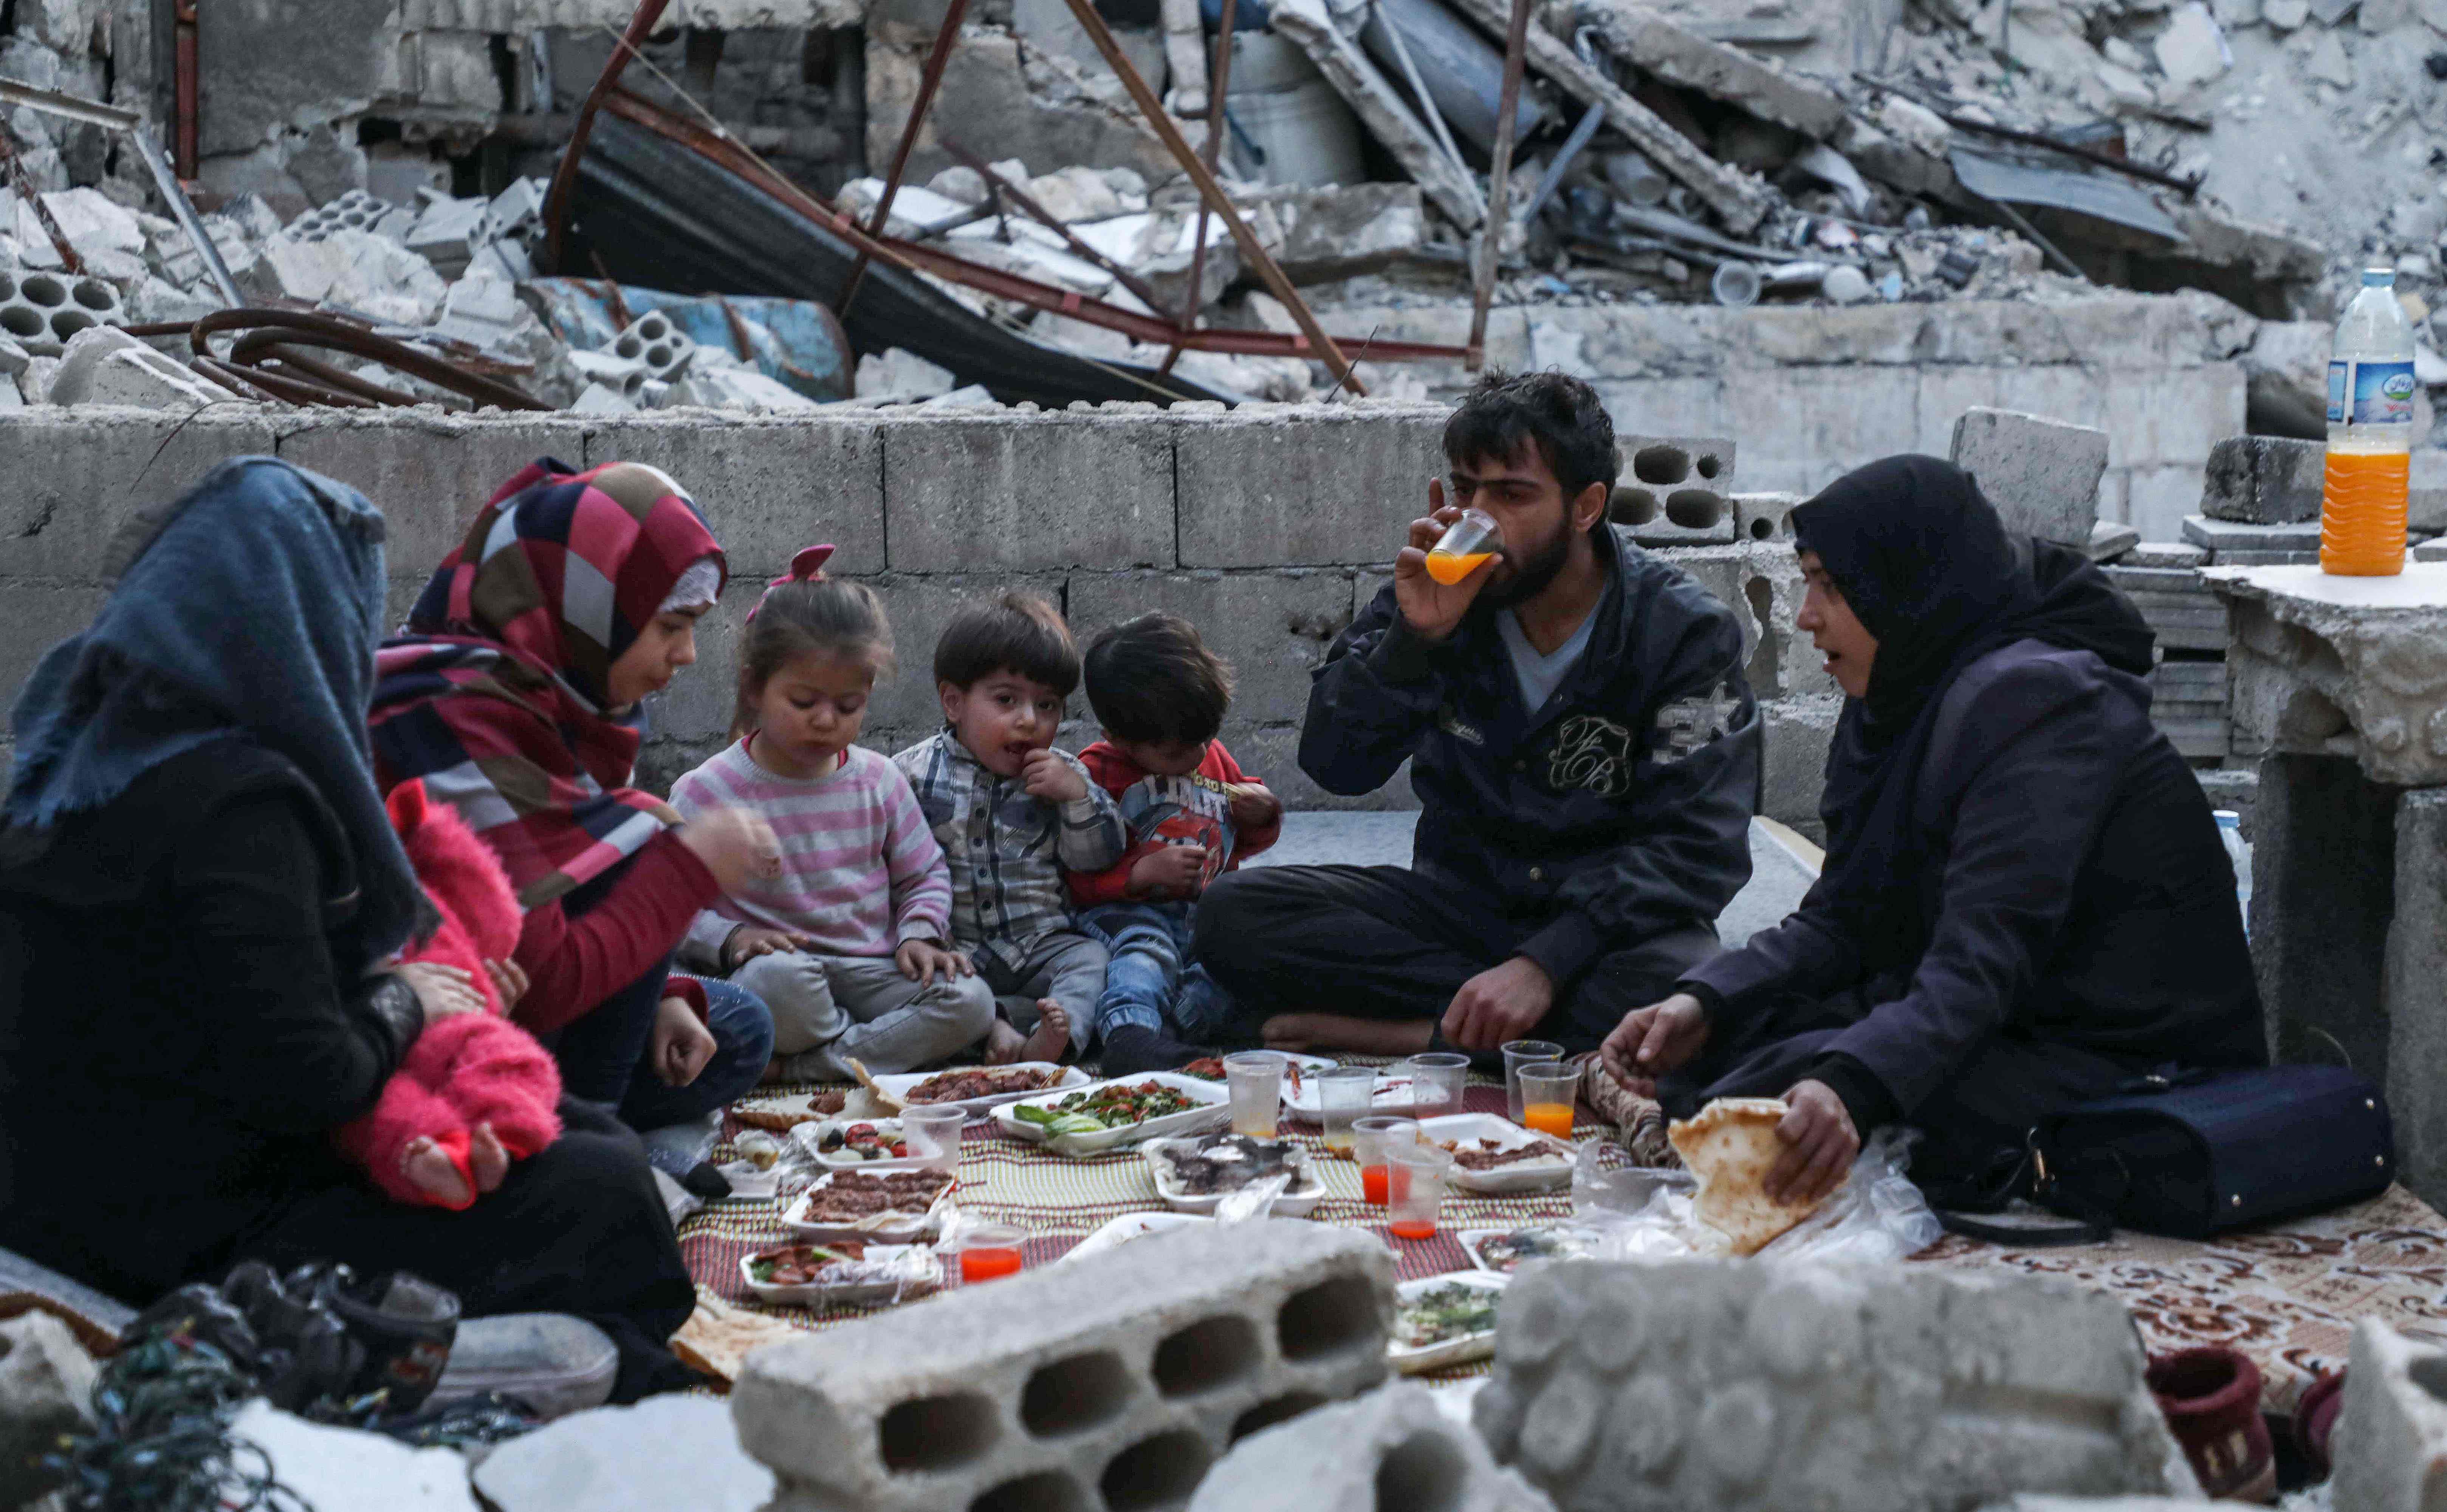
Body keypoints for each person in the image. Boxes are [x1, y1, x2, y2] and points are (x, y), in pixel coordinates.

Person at [0, 457, 700, 1401]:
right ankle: (559, 1387)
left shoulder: (69, 765)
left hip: (83, 1202)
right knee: (603, 1195)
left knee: (588, 1137)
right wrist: (402, 999)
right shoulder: (238, 805)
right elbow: (309, 1077)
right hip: (186, 1237)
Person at [1600, 455, 2265, 1208]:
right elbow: (1843, 916)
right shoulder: (1902, 680)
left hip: (2125, 1051)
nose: (1806, 614)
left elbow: (1985, 954)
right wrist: (1705, 1001)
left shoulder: (2040, 703)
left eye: (1828, 585)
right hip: (2006, 1010)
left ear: (1900, 584)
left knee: (1812, 1108)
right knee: (1725, 1066)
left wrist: (1852, 1082)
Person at [1197, 371, 1760, 1060]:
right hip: (1458, 910)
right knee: (1232, 918)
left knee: (1684, 980)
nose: (1477, 520)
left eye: (1512, 495)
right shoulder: (1437, 589)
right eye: (1465, 489)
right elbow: (1334, 766)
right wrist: (1414, 641)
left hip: (1601, 926)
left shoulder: (1680, 632)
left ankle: (1409, 1033)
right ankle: (1513, 1032)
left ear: (1585, 507)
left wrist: (1544, 964)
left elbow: (1699, 846)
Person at [367, 458, 776, 1137]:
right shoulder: (451, 715)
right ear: (591, 607)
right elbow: (543, 982)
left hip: (522, 1012)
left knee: (733, 1026)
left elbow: (581, 882)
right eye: (671, 625)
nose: (688, 655)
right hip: (433, 1032)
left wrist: (662, 990)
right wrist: (688, 868)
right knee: (644, 845)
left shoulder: (554, 695)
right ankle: (584, 1154)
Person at [671, 549, 995, 1081]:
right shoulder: (708, 790)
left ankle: (803, 1067)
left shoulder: (879, 780)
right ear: (755, 688)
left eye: (848, 707)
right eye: (803, 702)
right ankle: (871, 1052)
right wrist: (730, 939)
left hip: (873, 972)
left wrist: (918, 932)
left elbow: (924, 875)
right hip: (775, 978)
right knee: (772, 989)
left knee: (971, 1000)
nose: (826, 721)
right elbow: (666, 903)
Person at [893, 592, 1127, 1064]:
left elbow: (1098, 859)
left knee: (1092, 962)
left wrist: (1077, 798)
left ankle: (1053, 1037)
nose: (1029, 721)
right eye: (1006, 700)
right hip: (958, 951)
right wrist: (920, 937)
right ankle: (996, 1026)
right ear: (954, 702)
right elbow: (889, 875)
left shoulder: (1064, 774)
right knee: (909, 975)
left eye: (1048, 706)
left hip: (1041, 944)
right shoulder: (909, 776)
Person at [1066, 614, 1282, 1074]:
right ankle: (1130, 1033)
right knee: (1147, 957)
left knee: (1229, 969)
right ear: (1117, 738)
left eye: (1204, 738)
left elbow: (1242, 837)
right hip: (1129, 914)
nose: (1196, 755)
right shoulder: (1096, 773)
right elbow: (1071, 873)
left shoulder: (1212, 755)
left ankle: (1167, 1035)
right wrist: (1140, 874)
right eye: (1174, 752)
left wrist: (1262, 812)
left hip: (1205, 918)